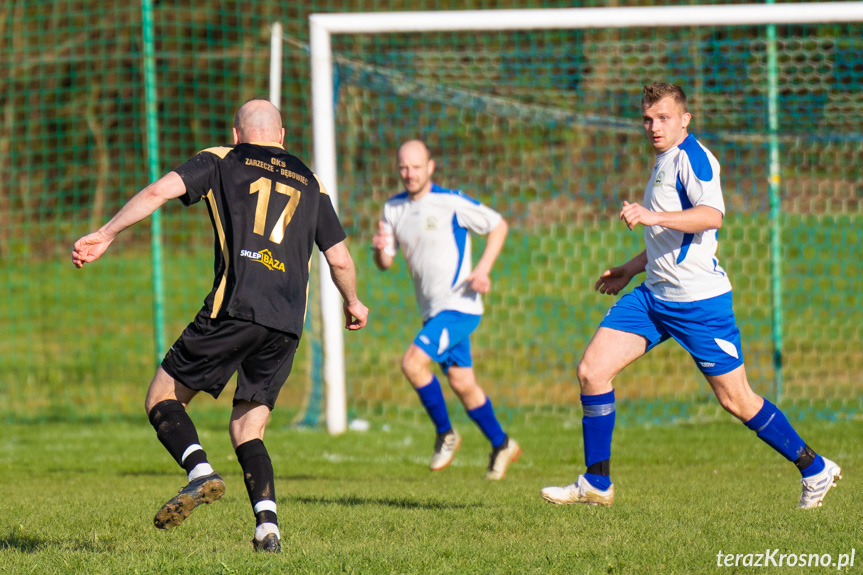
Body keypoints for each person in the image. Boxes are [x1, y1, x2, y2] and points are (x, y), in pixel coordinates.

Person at [72, 98, 369, 553]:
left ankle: (199, 472)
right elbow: (340, 257)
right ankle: (267, 529)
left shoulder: (221, 159)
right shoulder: (312, 181)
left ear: (237, 134)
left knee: (162, 397)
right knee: (248, 429)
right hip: (287, 324)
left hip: (236, 307)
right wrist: (353, 301)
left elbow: (157, 192)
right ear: (282, 136)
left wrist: (106, 233)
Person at [540, 82, 841, 509]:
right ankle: (596, 483)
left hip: (698, 303)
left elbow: (710, 215)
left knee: (737, 400)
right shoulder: (664, 161)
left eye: (663, 117)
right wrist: (630, 268)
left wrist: (649, 214)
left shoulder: (693, 158)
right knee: (592, 371)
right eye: (648, 119)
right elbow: (669, 236)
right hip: (653, 297)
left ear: (685, 119)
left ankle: (815, 468)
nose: (654, 126)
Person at [371, 139, 520, 480]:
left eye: (417, 167)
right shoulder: (392, 209)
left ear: (431, 167)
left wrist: (482, 269)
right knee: (462, 383)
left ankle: (445, 434)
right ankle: (502, 444)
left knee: (412, 362)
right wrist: (380, 250)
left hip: (460, 305)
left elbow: (498, 225)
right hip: (433, 311)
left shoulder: (450, 202)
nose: (409, 174)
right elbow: (385, 262)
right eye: (403, 167)